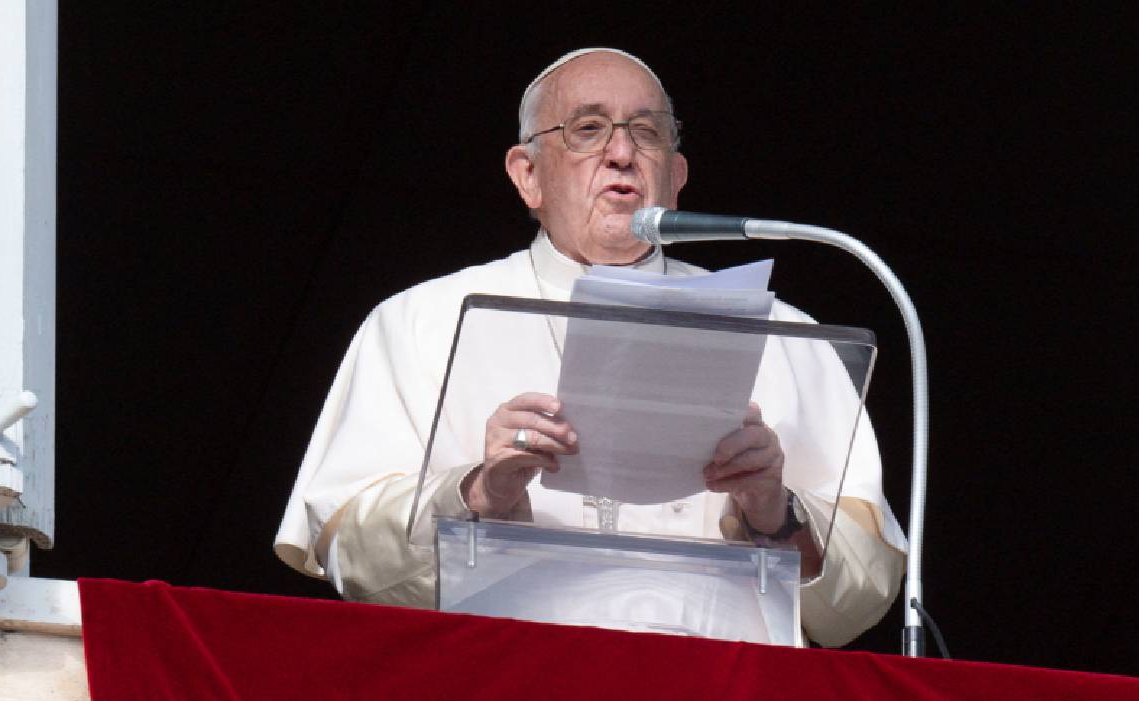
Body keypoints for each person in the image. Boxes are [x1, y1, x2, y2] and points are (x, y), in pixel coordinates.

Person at [275, 48, 906, 647]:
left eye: (647, 133)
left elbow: (862, 595)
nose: (622, 154)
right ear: (528, 175)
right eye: (587, 129)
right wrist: (478, 495)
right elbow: (349, 553)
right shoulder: (419, 322)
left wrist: (775, 513)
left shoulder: (785, 337)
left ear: (676, 178)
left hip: (722, 688)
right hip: (505, 682)